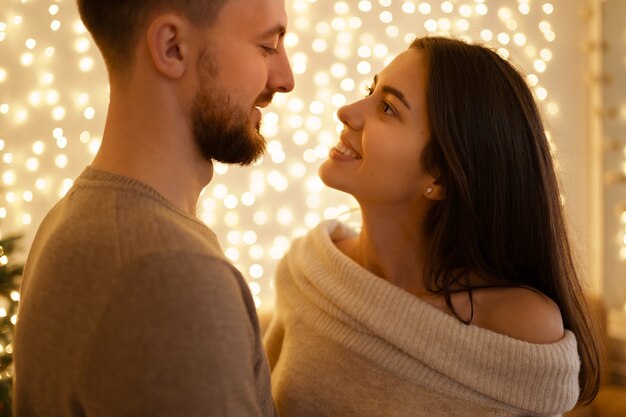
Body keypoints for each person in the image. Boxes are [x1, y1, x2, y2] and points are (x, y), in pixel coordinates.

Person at [263, 36, 601, 417]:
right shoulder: (310, 272)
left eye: (388, 108)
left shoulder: (519, 324)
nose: (348, 111)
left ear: (440, 175)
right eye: (370, 91)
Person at [13, 0, 294, 415]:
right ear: (171, 47)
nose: (285, 79)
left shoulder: (81, 214)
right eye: (267, 46)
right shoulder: (170, 271)